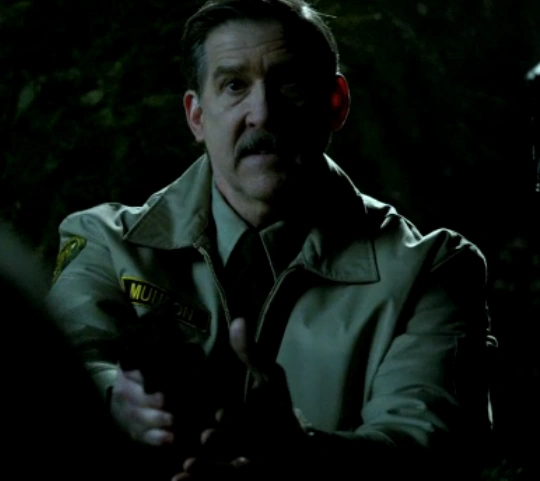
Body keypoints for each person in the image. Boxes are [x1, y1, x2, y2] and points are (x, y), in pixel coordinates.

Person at [47, 0, 493, 479]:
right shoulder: (107, 244)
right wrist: (116, 402)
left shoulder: (429, 272)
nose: (262, 113)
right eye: (234, 85)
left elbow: (433, 451)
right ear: (196, 117)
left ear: (335, 103)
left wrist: (303, 457)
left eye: (290, 83)